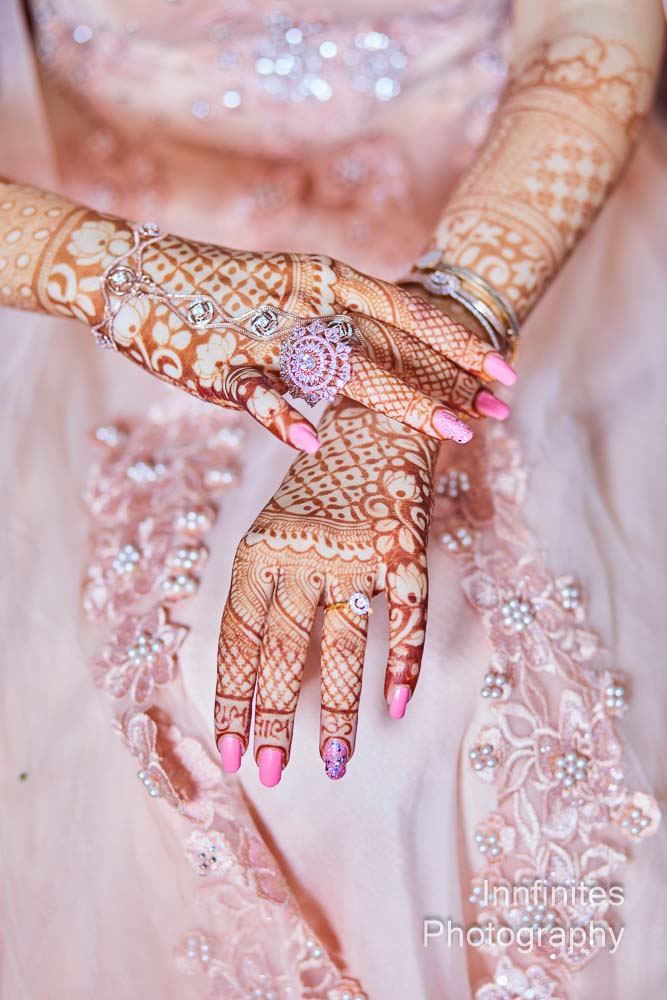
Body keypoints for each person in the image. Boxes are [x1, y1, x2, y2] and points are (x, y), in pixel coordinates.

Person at [1, 1, 665, 996]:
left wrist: (425, 355)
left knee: (451, 701)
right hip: (96, 261)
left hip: (499, 210)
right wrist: (118, 277)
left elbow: (586, 23)